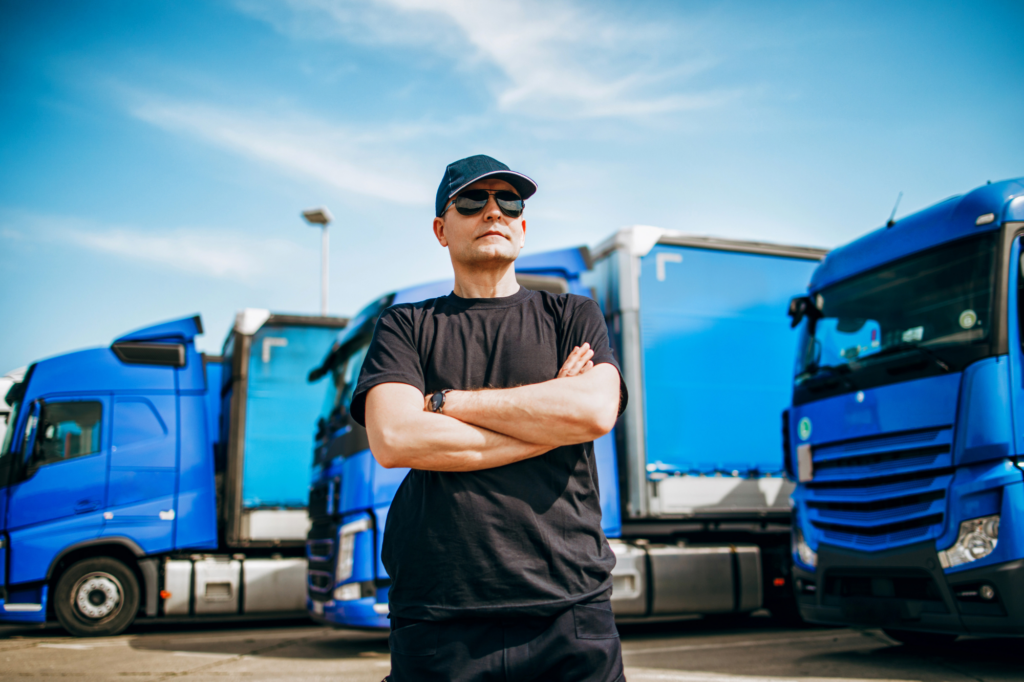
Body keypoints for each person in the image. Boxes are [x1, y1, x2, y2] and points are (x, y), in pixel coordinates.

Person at [351, 154, 627, 681]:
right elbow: (393, 438)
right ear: (441, 229)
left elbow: (592, 411)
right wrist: (549, 423)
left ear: (522, 226)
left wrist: (442, 401)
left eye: (509, 202)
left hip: (569, 607)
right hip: (439, 614)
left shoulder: (573, 314)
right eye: (473, 201)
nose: (493, 212)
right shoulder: (405, 326)